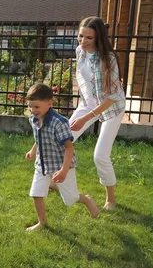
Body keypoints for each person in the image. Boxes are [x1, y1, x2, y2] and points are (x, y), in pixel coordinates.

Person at [66, 16, 126, 211]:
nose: (83, 41)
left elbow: (112, 97)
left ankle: (111, 198)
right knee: (63, 138)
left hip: (111, 107)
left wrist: (86, 117)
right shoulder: (80, 52)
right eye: (80, 36)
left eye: (88, 38)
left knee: (100, 156)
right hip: (88, 103)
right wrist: (84, 112)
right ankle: (55, 181)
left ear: (98, 38)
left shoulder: (108, 59)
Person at [25, 83, 99, 231]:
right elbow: (39, 137)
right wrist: (33, 151)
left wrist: (64, 171)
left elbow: (69, 148)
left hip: (62, 165)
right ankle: (42, 222)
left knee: (70, 200)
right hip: (42, 165)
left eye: (36, 107)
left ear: (50, 103)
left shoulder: (59, 123)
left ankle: (86, 200)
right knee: (36, 194)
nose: (33, 111)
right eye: (30, 107)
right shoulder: (33, 119)